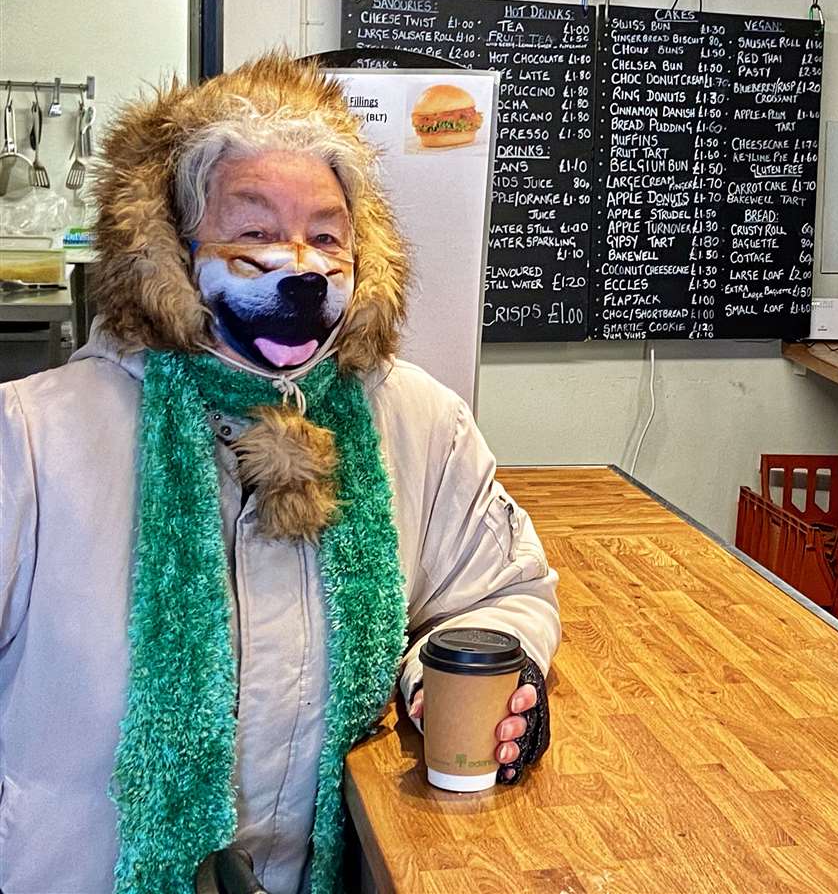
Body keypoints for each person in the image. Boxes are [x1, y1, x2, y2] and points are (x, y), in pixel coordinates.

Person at [0, 53, 562, 894]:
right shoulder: (33, 439)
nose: (299, 263)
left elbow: (497, 591)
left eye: (326, 234)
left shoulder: (415, 421)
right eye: (255, 229)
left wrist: (470, 673)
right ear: (170, 248)